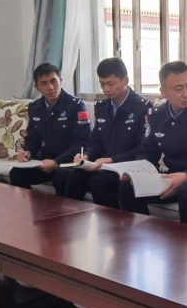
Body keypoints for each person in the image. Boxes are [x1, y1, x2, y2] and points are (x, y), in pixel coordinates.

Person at [118, 61, 187, 227]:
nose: (186, 94)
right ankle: (140, 236)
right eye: (178, 89)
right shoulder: (155, 116)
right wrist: (136, 172)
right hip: (172, 178)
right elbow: (147, 153)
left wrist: (186, 175)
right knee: (127, 186)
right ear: (164, 92)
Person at [53, 58, 152, 208]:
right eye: (102, 84)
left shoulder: (142, 107)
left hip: (126, 166)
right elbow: (95, 142)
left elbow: (142, 148)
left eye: (110, 84)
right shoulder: (101, 107)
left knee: (99, 182)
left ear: (125, 80)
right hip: (102, 165)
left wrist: (111, 160)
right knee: (67, 174)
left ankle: (112, 222)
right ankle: (70, 218)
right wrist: (86, 156)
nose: (106, 89)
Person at [9, 63, 90, 191]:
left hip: (70, 160)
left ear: (60, 81)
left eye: (54, 81)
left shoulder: (76, 106)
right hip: (47, 159)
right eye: (44, 83)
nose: (50, 87)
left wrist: (56, 161)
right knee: (16, 173)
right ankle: (31, 205)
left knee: (62, 176)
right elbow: (33, 138)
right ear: (37, 87)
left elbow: (83, 142)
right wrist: (27, 151)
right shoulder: (35, 107)